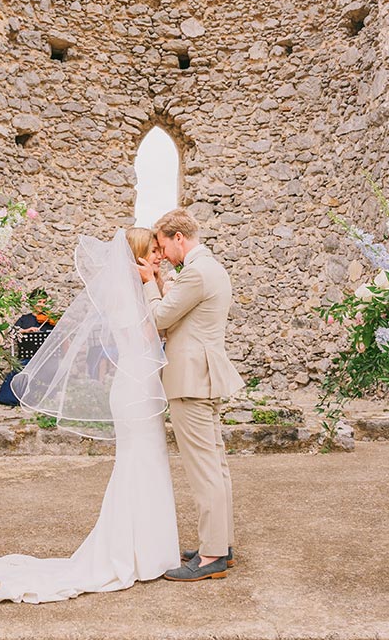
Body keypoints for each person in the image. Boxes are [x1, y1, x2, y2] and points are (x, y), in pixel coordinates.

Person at [0, 229, 179, 604]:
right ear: (136, 255)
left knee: (151, 464)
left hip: (142, 388)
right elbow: (146, 344)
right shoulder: (125, 296)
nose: (158, 257)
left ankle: (152, 551)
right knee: (138, 466)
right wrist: (157, 290)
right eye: (152, 251)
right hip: (134, 391)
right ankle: (131, 553)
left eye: (158, 251)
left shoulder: (138, 293)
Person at [136, 209, 245, 582]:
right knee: (216, 466)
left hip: (191, 380)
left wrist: (150, 281)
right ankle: (221, 545)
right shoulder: (207, 269)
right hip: (204, 376)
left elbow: (161, 318)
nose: (162, 253)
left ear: (178, 238)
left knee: (204, 472)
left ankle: (212, 555)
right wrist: (165, 280)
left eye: (164, 245)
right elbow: (183, 311)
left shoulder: (197, 271)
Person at [0, 289, 58, 406]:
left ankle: (46, 399)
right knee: (18, 369)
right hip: (28, 357)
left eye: (44, 302)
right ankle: (11, 399)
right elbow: (12, 333)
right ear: (32, 302)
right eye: (39, 301)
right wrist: (26, 331)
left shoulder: (49, 320)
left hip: (46, 358)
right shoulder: (24, 319)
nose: (41, 304)